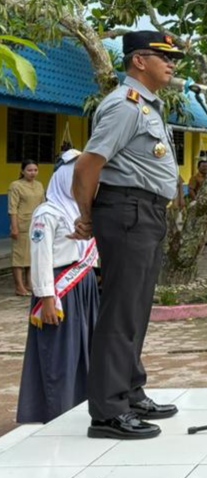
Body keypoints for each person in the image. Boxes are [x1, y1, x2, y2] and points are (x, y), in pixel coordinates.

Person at [70, 30, 185, 440]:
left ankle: (131, 391)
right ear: (139, 60)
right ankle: (107, 411)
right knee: (120, 312)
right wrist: (87, 216)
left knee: (135, 308)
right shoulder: (125, 106)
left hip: (146, 213)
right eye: (164, 57)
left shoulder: (149, 108)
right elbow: (88, 165)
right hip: (126, 212)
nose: (172, 65)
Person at [17, 150, 100, 424]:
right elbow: (40, 258)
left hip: (84, 286)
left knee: (84, 349)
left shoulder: (83, 211)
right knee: (59, 354)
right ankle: (57, 410)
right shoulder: (47, 212)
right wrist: (47, 297)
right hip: (59, 290)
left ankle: (83, 404)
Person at [8, 159, 45, 296]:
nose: (32, 173)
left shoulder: (39, 185)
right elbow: (13, 208)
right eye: (29, 170)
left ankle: (29, 283)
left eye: (35, 170)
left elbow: (43, 204)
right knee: (19, 256)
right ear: (22, 171)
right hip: (22, 223)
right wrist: (14, 227)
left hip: (36, 224)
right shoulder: (16, 186)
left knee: (32, 255)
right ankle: (19, 286)